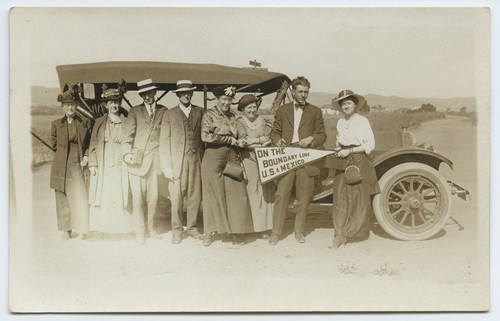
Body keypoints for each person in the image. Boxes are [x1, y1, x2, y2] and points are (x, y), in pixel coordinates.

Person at [269, 76, 327, 245]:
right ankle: (276, 233)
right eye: (300, 91)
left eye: (306, 92)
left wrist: (311, 139)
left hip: (305, 158)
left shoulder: (315, 111)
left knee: (304, 197)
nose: (303, 95)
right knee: (281, 195)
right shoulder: (282, 110)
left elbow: (322, 135)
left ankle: (299, 232)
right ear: (293, 92)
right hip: (287, 157)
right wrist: (277, 140)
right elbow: (275, 132)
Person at [200, 85, 253, 246]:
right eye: (224, 99)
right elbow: (205, 136)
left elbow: (237, 135)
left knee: (236, 194)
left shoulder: (232, 116)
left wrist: (241, 141)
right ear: (217, 99)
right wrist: (228, 139)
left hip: (231, 156)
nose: (226, 102)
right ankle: (209, 232)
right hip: (213, 158)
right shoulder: (208, 115)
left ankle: (236, 231)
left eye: (229, 100)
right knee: (212, 196)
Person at [330, 89, 380, 248]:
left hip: (358, 160)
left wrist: (350, 150)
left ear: (355, 105)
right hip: (343, 159)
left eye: (348, 103)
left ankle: (353, 233)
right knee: (340, 197)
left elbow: (370, 145)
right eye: (343, 103)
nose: (345, 106)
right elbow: (339, 141)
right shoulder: (340, 122)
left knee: (357, 198)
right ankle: (339, 234)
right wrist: (338, 148)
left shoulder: (362, 121)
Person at [122, 79, 167, 245]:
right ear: (141, 95)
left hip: (155, 162)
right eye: (144, 94)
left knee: (154, 198)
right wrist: (127, 154)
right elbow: (127, 137)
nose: (148, 96)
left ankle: (151, 228)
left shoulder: (164, 111)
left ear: (155, 93)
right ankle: (140, 232)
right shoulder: (134, 111)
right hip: (137, 162)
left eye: (150, 93)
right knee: (138, 199)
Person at [159, 80, 204, 244]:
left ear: (191, 94)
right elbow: (164, 142)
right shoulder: (169, 114)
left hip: (196, 159)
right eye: (182, 93)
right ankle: (177, 230)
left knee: (195, 195)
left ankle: (192, 228)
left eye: (188, 92)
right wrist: (166, 166)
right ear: (178, 95)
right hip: (176, 162)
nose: (186, 95)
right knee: (176, 196)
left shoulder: (200, 111)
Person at [87, 87, 133, 235]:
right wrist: (93, 164)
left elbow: (131, 142)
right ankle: (103, 229)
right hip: (104, 164)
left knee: (120, 194)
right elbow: (93, 145)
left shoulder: (126, 122)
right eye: (111, 103)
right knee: (105, 194)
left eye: (116, 102)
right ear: (106, 105)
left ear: (120, 104)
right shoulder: (99, 123)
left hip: (121, 164)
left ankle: (121, 229)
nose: (114, 106)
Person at [50, 89, 92, 240]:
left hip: (77, 162)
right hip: (61, 165)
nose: (70, 108)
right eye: (66, 105)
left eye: (72, 105)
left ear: (76, 106)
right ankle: (66, 229)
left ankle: (82, 228)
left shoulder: (84, 123)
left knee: (80, 195)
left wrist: (86, 156)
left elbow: (88, 144)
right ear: (62, 107)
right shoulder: (55, 124)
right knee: (62, 197)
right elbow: (54, 145)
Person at [235, 94, 274, 237]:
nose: (252, 110)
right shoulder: (240, 121)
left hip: (263, 160)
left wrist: (254, 141)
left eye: (253, 107)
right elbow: (242, 141)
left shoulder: (262, 121)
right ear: (243, 109)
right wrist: (259, 141)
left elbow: (268, 138)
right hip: (248, 160)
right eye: (248, 107)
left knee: (265, 192)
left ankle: (264, 228)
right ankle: (250, 227)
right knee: (251, 192)